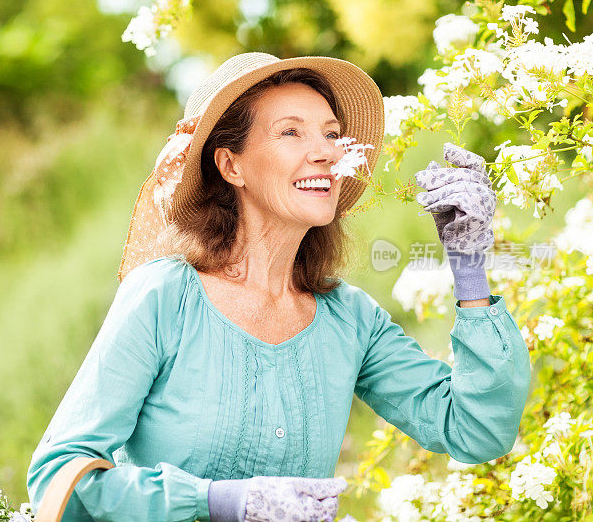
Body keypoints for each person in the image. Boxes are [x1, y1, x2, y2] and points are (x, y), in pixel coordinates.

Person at [26, 52, 532, 522]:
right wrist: (219, 500)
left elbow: (475, 431)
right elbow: (59, 474)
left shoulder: (350, 318)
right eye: (291, 132)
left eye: (332, 135)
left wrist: (469, 268)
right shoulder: (163, 297)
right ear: (231, 165)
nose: (324, 152)